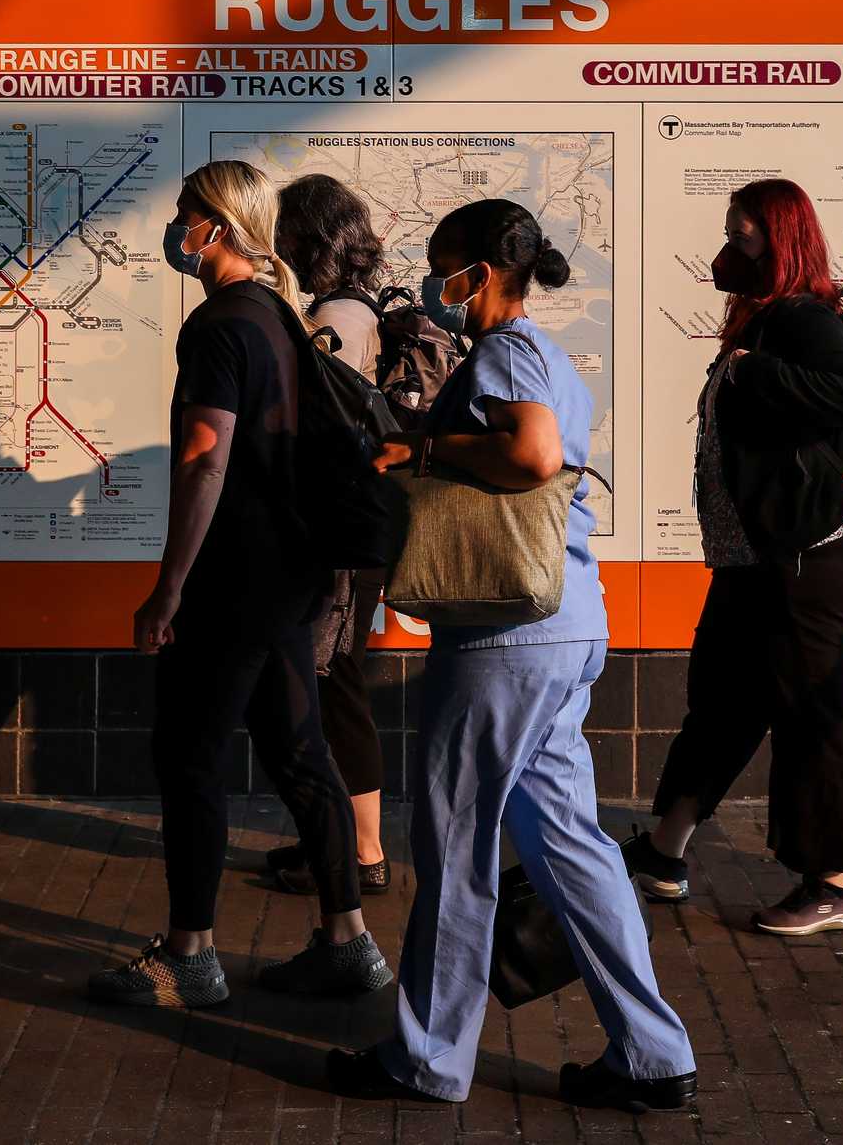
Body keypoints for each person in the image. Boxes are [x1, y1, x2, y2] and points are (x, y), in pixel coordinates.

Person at [328, 200, 695, 1111]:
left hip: (503, 639)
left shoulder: (502, 352)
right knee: (572, 845)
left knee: (455, 846)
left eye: (443, 264)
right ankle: (652, 1055)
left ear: (483, 272)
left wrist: (419, 444)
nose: (433, 280)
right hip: (566, 622)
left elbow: (529, 457)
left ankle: (427, 1058)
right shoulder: (554, 358)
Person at [88, 160, 392, 1008]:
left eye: (186, 212)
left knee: (189, 758)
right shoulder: (278, 315)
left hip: (234, 578)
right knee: (299, 753)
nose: (176, 228)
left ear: (215, 226)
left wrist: (169, 587)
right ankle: (348, 941)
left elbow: (204, 459)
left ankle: (189, 954)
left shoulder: (221, 324)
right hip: (295, 572)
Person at [624, 178, 843, 936]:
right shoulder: (766, 319)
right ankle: (664, 851)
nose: (729, 248)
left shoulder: (803, 319)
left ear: (781, 240)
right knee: (724, 698)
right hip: (753, 557)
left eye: (743, 236)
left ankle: (832, 885)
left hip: (807, 557)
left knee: (815, 712)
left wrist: (748, 371)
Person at [266, 173, 389, 897]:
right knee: (332, 682)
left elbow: (323, 430)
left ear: (307, 238)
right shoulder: (344, 310)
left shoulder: (338, 319)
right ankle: (338, 839)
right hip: (348, 525)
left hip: (340, 533)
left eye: (283, 230)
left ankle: (362, 853)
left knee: (337, 684)